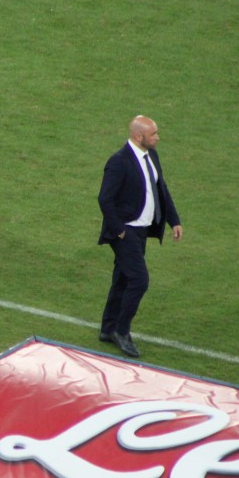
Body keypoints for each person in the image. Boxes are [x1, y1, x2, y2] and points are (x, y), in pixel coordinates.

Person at [97, 115, 183, 358]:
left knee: (123, 278)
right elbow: (105, 199)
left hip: (142, 231)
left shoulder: (151, 155)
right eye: (153, 134)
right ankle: (121, 332)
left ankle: (108, 328)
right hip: (125, 232)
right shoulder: (119, 161)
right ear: (138, 136)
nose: (157, 137)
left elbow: (161, 188)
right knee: (139, 280)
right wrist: (120, 230)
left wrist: (174, 220)